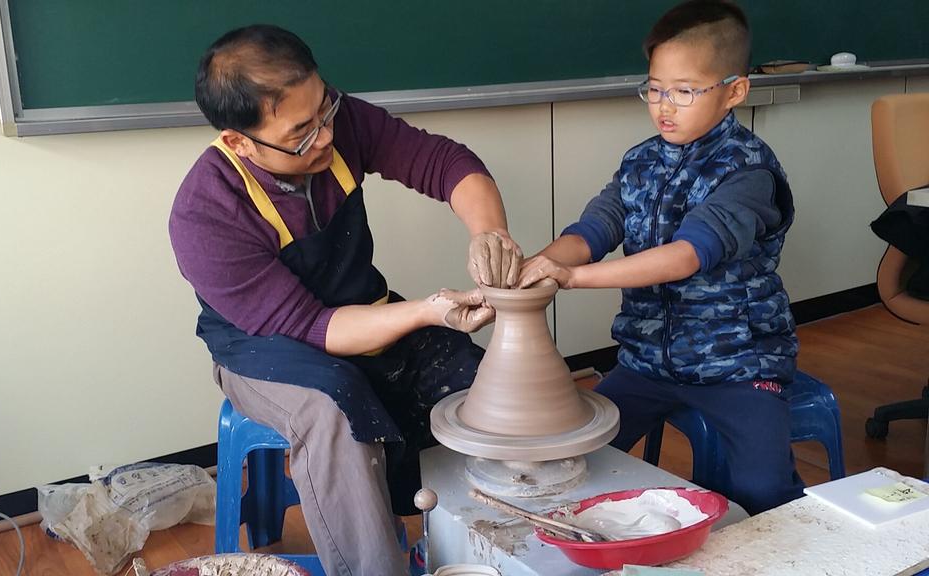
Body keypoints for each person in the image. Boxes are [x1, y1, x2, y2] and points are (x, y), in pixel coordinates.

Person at [169, 25, 522, 575]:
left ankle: (480, 551)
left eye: (325, 109)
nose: (326, 135)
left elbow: (446, 164)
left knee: (478, 377)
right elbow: (314, 327)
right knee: (338, 414)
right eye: (301, 133)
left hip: (363, 312)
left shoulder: (339, 122)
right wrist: (431, 310)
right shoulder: (206, 213)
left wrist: (490, 234)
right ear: (239, 141)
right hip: (265, 348)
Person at [518, 0, 804, 515]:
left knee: (763, 494)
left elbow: (687, 255)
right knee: (572, 464)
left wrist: (571, 278)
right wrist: (530, 271)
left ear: (734, 91)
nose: (664, 106)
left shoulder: (748, 172)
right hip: (646, 362)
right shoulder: (641, 160)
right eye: (654, 88)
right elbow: (593, 229)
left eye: (684, 91)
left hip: (738, 365)